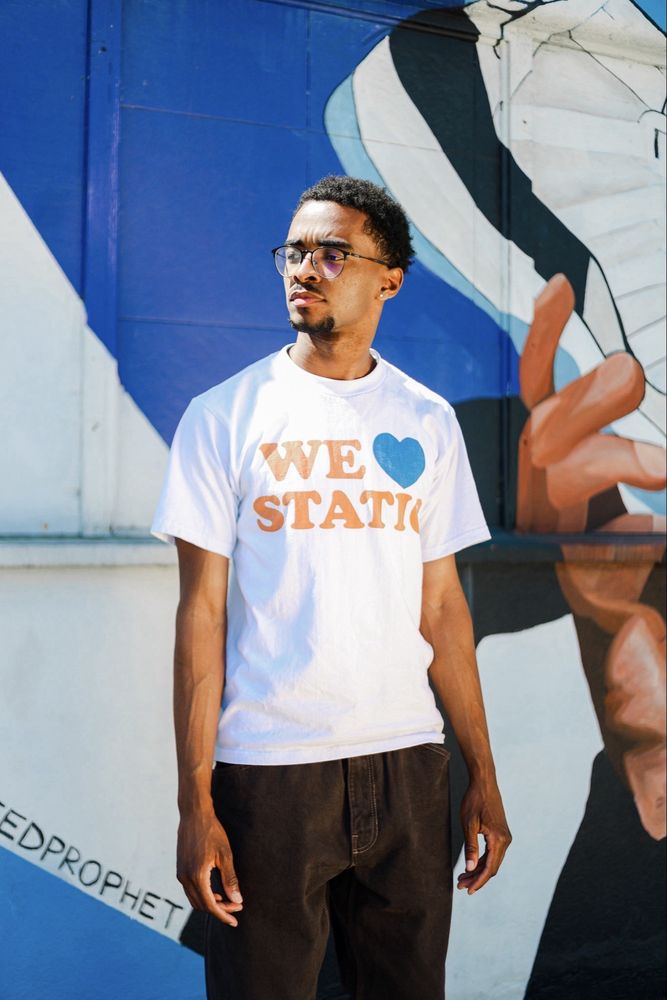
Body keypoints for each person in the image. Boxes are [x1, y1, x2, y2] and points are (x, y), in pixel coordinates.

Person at [151, 175, 511, 1000]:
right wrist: (195, 803)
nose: (304, 268)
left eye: (333, 253)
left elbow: (442, 609)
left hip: (408, 765)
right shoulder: (224, 416)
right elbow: (200, 617)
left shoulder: (426, 419)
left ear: (389, 280)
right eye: (294, 250)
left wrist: (482, 777)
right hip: (269, 774)